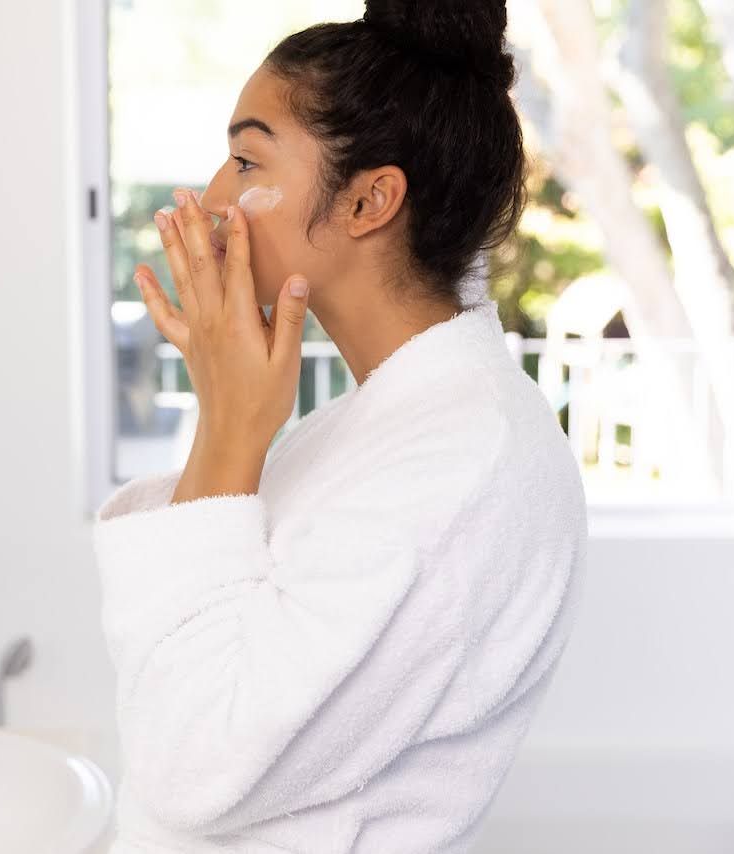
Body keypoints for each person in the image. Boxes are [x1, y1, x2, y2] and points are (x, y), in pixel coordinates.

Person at [92, 1, 588, 851]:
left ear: (369, 200)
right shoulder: (390, 422)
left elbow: (190, 770)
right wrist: (233, 419)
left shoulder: (462, 462)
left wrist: (230, 428)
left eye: (246, 157)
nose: (211, 197)